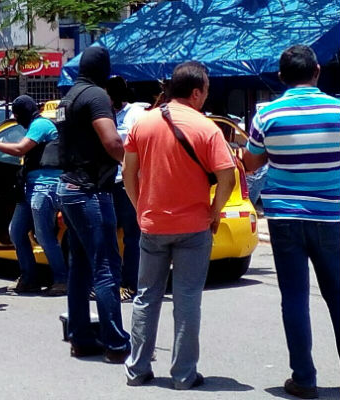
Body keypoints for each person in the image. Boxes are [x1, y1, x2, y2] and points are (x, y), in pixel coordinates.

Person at [123, 61, 235, 389]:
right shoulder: (207, 128)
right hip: (194, 226)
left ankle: (137, 369)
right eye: (207, 91)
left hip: (153, 224)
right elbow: (227, 177)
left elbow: (129, 173)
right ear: (197, 92)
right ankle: (184, 375)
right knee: (187, 299)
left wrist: (140, 206)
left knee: (146, 296)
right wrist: (215, 212)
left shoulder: (143, 123)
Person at [243, 45, 340, 400]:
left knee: (295, 298)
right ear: (317, 70)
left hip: (284, 217)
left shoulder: (267, 114)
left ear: (281, 77)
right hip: (332, 215)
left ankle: (304, 378)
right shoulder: (338, 110)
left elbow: (251, 165)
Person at [55, 46, 131, 364]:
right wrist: (132, 163)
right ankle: (115, 343)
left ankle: (81, 337)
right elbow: (111, 141)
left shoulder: (68, 98)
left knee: (81, 268)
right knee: (106, 268)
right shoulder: (97, 96)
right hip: (90, 190)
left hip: (68, 188)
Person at [0, 95, 68, 296]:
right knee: (16, 231)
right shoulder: (35, 125)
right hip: (31, 187)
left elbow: (19, 148)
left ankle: (61, 279)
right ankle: (29, 277)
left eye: (17, 115)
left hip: (45, 186)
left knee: (43, 235)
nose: (17, 118)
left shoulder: (40, 124)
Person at [105, 76, 142, 301]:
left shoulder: (135, 115)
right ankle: (110, 281)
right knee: (106, 235)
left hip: (128, 182)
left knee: (132, 237)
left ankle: (130, 284)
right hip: (107, 182)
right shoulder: (103, 114)